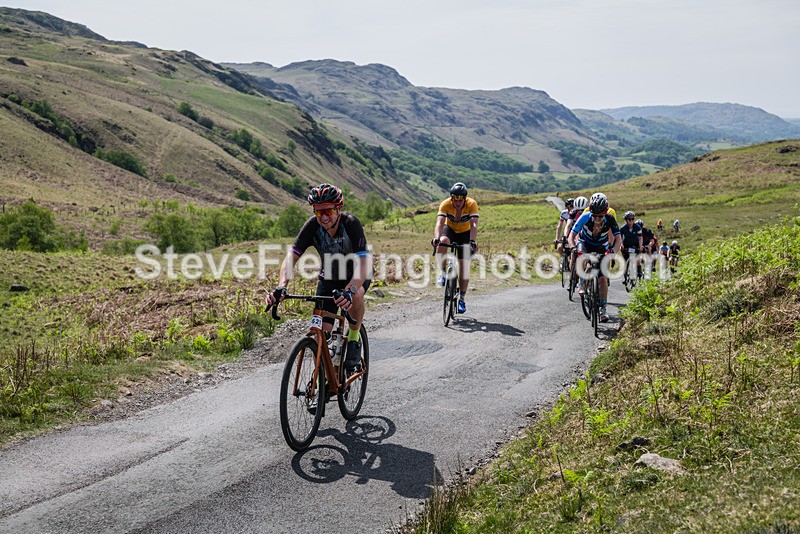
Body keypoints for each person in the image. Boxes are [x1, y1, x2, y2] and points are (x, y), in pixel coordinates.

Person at [265, 183, 371, 374]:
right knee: (319, 335)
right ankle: (322, 380)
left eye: (328, 211)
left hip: (357, 274)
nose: (323, 217)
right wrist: (281, 286)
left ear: (338, 209)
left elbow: (363, 263)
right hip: (329, 278)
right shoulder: (313, 226)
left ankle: (354, 339)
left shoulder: (350, 223)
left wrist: (350, 290)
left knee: (355, 296)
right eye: (318, 212)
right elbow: (291, 257)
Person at [568, 192, 621, 322]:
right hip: (585, 243)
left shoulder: (610, 219)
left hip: (601, 246)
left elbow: (618, 239)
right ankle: (582, 283)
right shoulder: (585, 217)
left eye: (600, 216)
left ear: (605, 213)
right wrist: (573, 247)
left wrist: (613, 252)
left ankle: (603, 309)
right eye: (595, 215)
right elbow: (571, 236)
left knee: (603, 278)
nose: (597, 219)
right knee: (581, 255)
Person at [432, 182, 479, 314]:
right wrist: (436, 238)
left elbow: (474, 224)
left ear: (465, 198)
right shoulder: (446, 204)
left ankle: (462, 299)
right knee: (442, 242)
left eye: (460, 200)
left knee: (463, 267)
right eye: (455, 200)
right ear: (451, 198)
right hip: (450, 230)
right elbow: (440, 223)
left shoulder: (471, 204)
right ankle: (443, 272)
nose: (457, 203)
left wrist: (472, 241)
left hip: (465, 234)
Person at [619, 211, 643, 281]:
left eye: (632, 219)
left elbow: (640, 237)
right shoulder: (623, 228)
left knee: (637, 259)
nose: (631, 221)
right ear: (626, 220)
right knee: (625, 261)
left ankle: (639, 271)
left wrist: (640, 246)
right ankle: (625, 276)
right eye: (629, 219)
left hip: (635, 244)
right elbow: (620, 238)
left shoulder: (637, 227)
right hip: (626, 245)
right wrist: (621, 245)